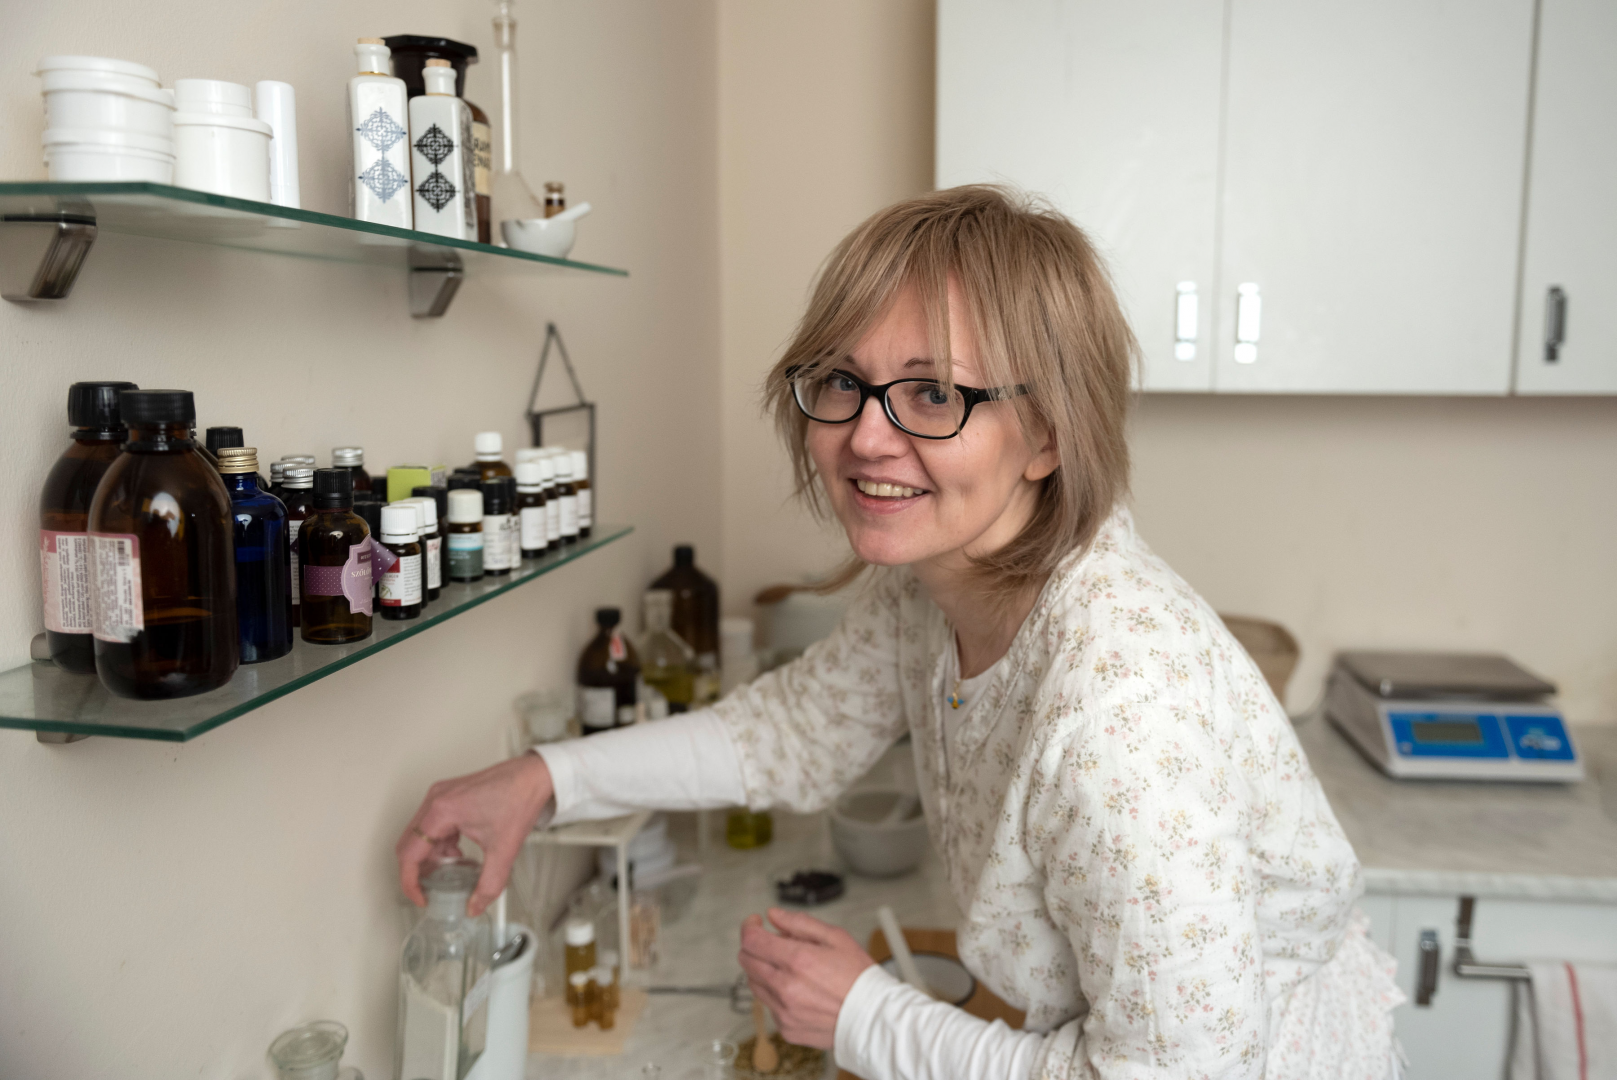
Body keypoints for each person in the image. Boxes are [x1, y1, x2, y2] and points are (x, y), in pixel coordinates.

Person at [396, 185, 1405, 1079]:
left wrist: (865, 1017)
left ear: (1047, 436)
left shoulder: (1123, 715)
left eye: (932, 393)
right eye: (843, 380)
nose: (865, 436)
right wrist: (545, 778)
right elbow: (792, 731)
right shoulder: (939, 579)